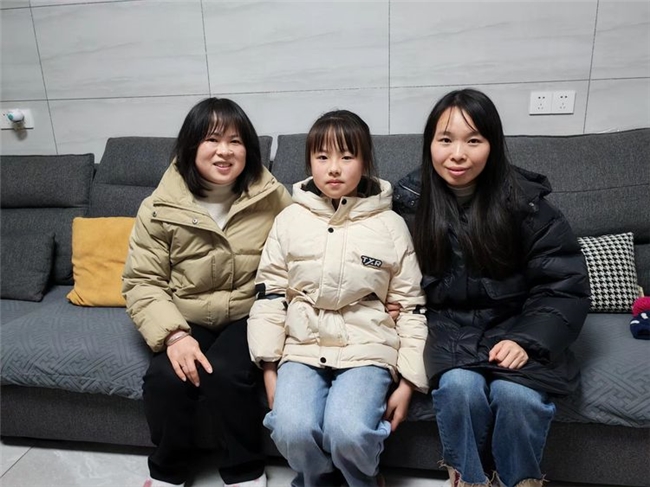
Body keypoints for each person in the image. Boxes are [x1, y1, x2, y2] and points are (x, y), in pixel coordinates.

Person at [392, 88, 591, 487]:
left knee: (517, 397)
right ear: (429, 144)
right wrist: (389, 301)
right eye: (445, 140)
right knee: (459, 388)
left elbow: (562, 285)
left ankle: (521, 482)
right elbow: (383, 269)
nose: (458, 154)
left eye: (473, 141)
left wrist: (527, 340)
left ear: (493, 145)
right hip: (445, 329)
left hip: (516, 326)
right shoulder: (408, 203)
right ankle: (467, 479)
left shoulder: (527, 204)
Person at [247, 110, 429, 487]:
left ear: (365, 162)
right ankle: (319, 482)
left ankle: (362, 481)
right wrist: (268, 368)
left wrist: (409, 383)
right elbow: (270, 294)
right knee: (291, 428)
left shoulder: (390, 225)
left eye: (347, 156)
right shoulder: (289, 220)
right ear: (309, 161)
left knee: (348, 431)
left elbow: (411, 306)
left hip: (368, 346)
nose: (333, 168)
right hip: (302, 346)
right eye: (322, 156)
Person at [122, 97, 293, 487]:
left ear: (248, 149)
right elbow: (142, 281)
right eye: (212, 139)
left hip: (249, 312)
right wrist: (174, 335)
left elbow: (304, 249)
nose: (224, 151)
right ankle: (167, 472)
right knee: (166, 379)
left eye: (235, 141)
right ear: (191, 145)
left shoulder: (272, 196)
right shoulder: (158, 206)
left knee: (228, 374)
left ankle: (245, 472)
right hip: (186, 315)